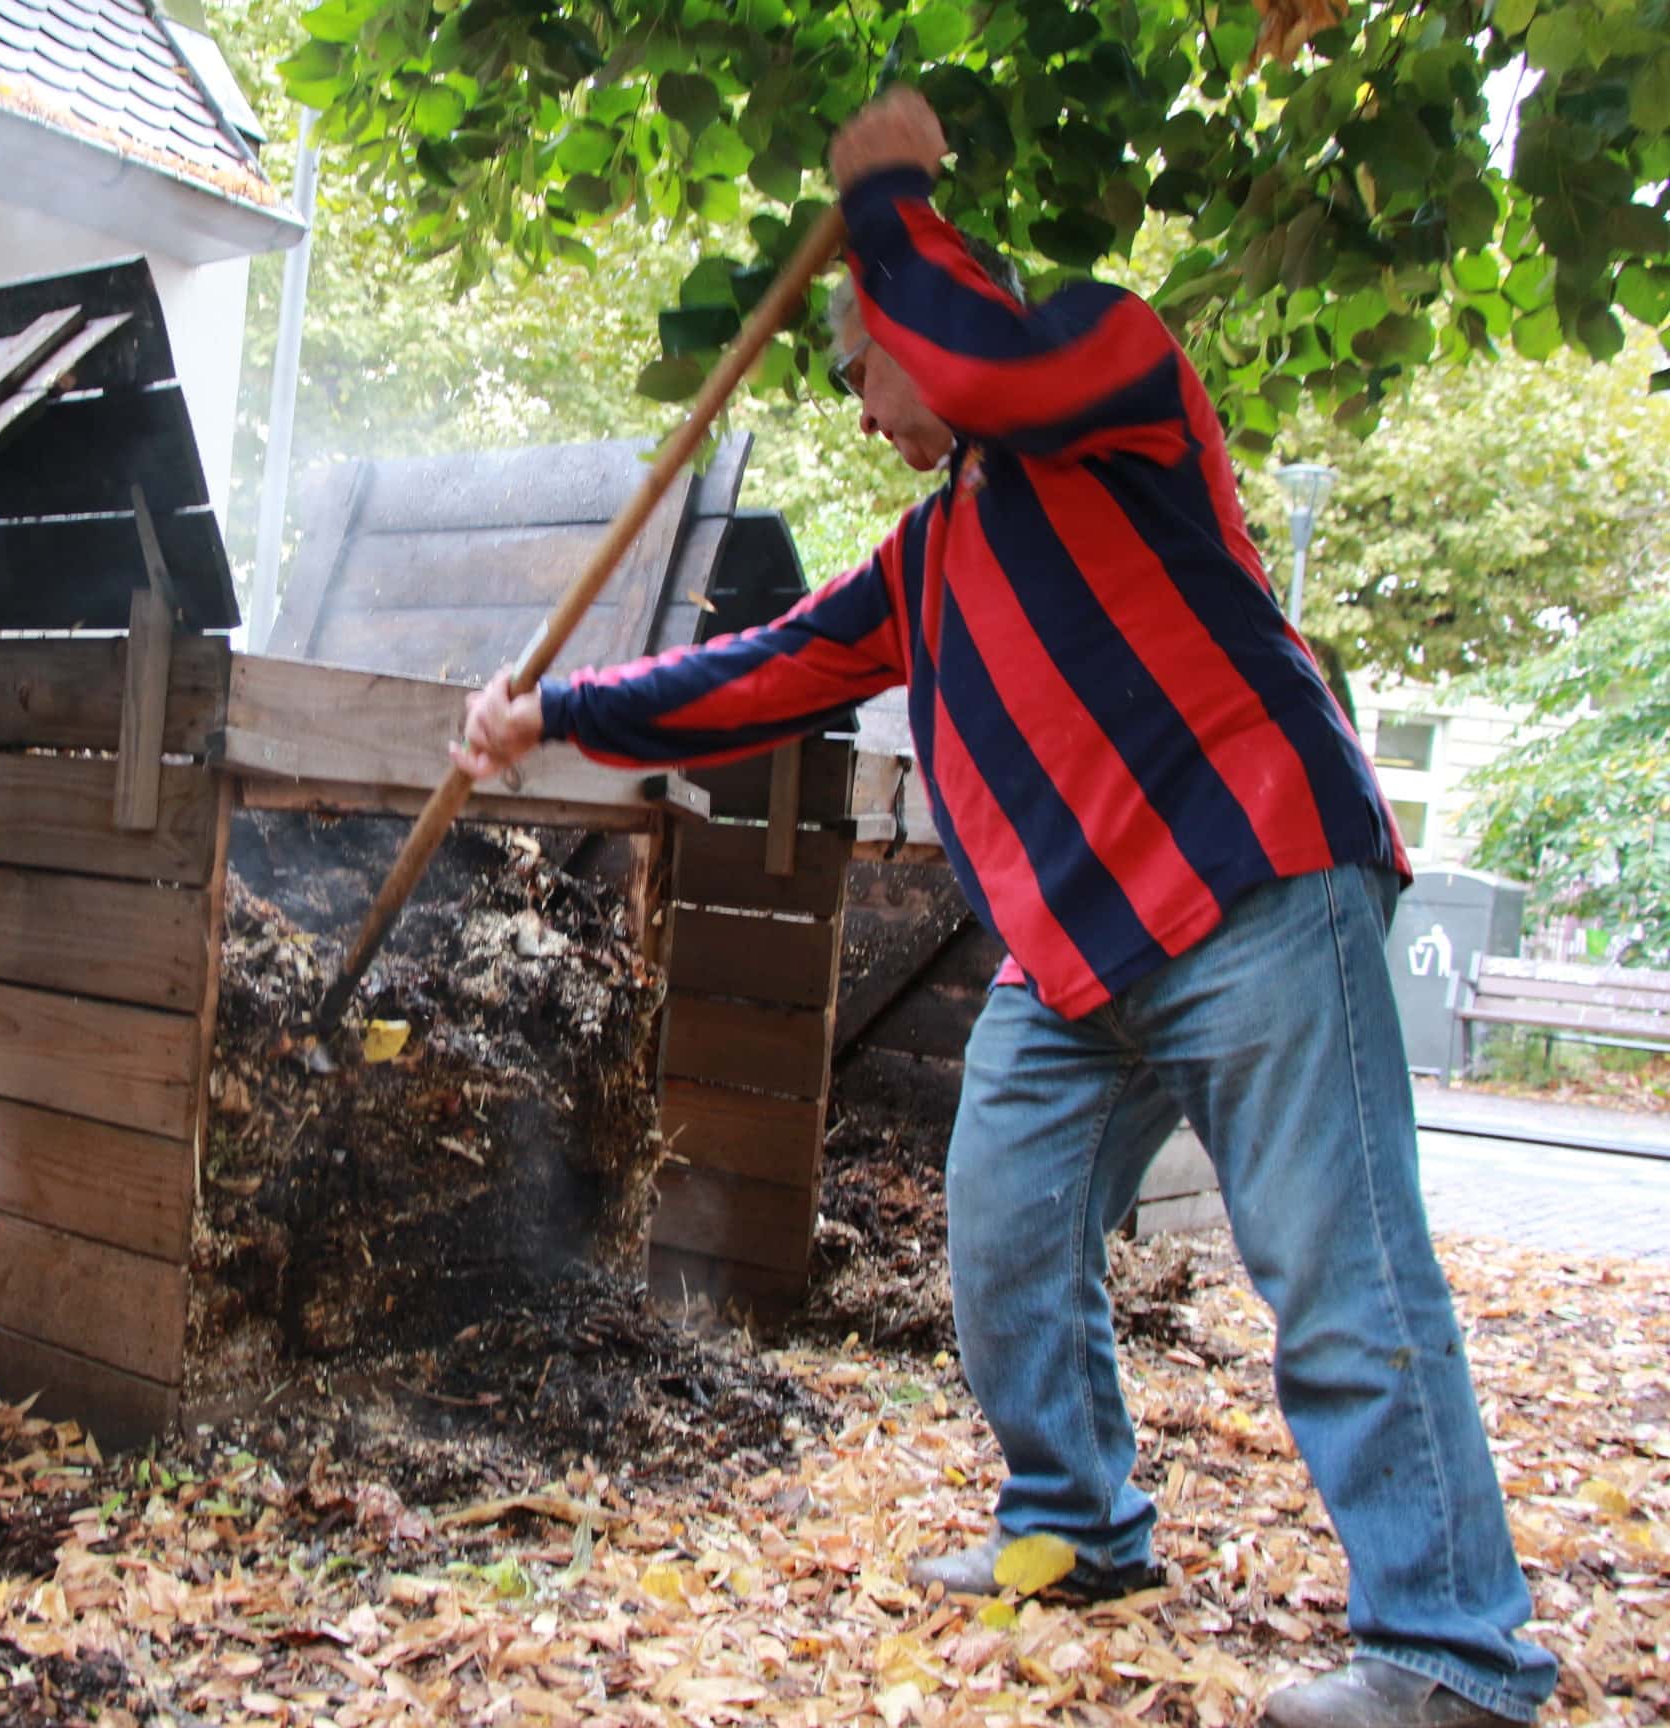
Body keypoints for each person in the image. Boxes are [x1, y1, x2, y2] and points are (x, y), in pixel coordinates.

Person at [453, 87, 1555, 1728]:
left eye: (859, 359)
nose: (859, 399)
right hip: (1070, 961)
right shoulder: (926, 557)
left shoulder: (1115, 375)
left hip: (1249, 876)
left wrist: (886, 196)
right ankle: (1079, 1527)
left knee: (1340, 1277)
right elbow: (757, 677)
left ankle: (1454, 1648)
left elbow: (979, 358)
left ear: (919, 312)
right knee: (1006, 1238)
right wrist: (560, 717)